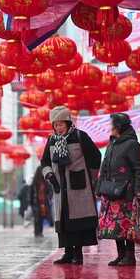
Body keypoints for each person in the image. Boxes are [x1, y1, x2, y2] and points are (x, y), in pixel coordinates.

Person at [41, 106, 101, 265]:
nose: (58, 128)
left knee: (77, 221)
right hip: (59, 187)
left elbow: (96, 157)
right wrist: (49, 175)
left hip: (79, 186)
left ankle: (77, 254)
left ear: (68, 123)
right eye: (56, 124)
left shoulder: (80, 137)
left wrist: (91, 178)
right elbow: (45, 161)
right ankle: (67, 253)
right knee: (64, 221)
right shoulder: (51, 140)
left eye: (61, 124)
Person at [97, 113, 140, 266]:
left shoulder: (131, 144)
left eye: (111, 125)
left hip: (127, 192)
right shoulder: (112, 143)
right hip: (111, 191)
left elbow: (138, 169)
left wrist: (138, 190)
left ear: (118, 126)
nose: (109, 127)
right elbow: (104, 167)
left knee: (126, 224)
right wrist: (99, 187)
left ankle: (130, 256)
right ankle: (121, 255)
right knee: (115, 225)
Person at [30, 166, 52, 237]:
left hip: (43, 202)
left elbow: (50, 191)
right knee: (37, 218)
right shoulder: (34, 183)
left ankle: (40, 232)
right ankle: (37, 232)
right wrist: (30, 203)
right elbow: (31, 193)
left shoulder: (45, 182)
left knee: (42, 217)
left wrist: (49, 197)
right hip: (36, 202)